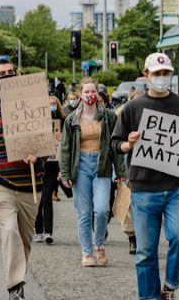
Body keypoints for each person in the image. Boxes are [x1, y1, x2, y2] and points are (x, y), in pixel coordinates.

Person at [111, 53, 179, 300]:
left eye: (166, 73)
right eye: (157, 73)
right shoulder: (133, 107)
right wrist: (128, 144)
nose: (162, 77)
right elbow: (115, 144)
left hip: (177, 187)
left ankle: (170, 284)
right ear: (146, 75)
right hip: (144, 190)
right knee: (146, 253)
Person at [0, 60, 45, 300]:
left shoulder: (33, 106)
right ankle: (15, 286)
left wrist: (38, 156)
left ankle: (18, 280)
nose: (6, 76)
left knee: (24, 238)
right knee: (10, 230)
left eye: (10, 72)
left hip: (29, 183)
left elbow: (46, 145)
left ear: (18, 75)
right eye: (1, 73)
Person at [60, 78, 126, 267]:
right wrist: (65, 173)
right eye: (86, 91)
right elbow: (65, 148)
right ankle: (87, 252)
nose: (90, 95)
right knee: (84, 213)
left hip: (101, 166)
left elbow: (115, 145)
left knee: (102, 210)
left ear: (98, 94)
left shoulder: (109, 117)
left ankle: (100, 245)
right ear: (81, 95)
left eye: (93, 91)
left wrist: (120, 171)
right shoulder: (72, 119)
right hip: (80, 166)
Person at [33, 96, 66, 245]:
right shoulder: (36, 122)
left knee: (46, 198)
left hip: (53, 165)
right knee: (38, 200)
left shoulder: (63, 121)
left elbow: (68, 141)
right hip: (39, 165)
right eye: (49, 104)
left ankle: (48, 232)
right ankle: (38, 231)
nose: (52, 106)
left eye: (54, 104)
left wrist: (61, 138)